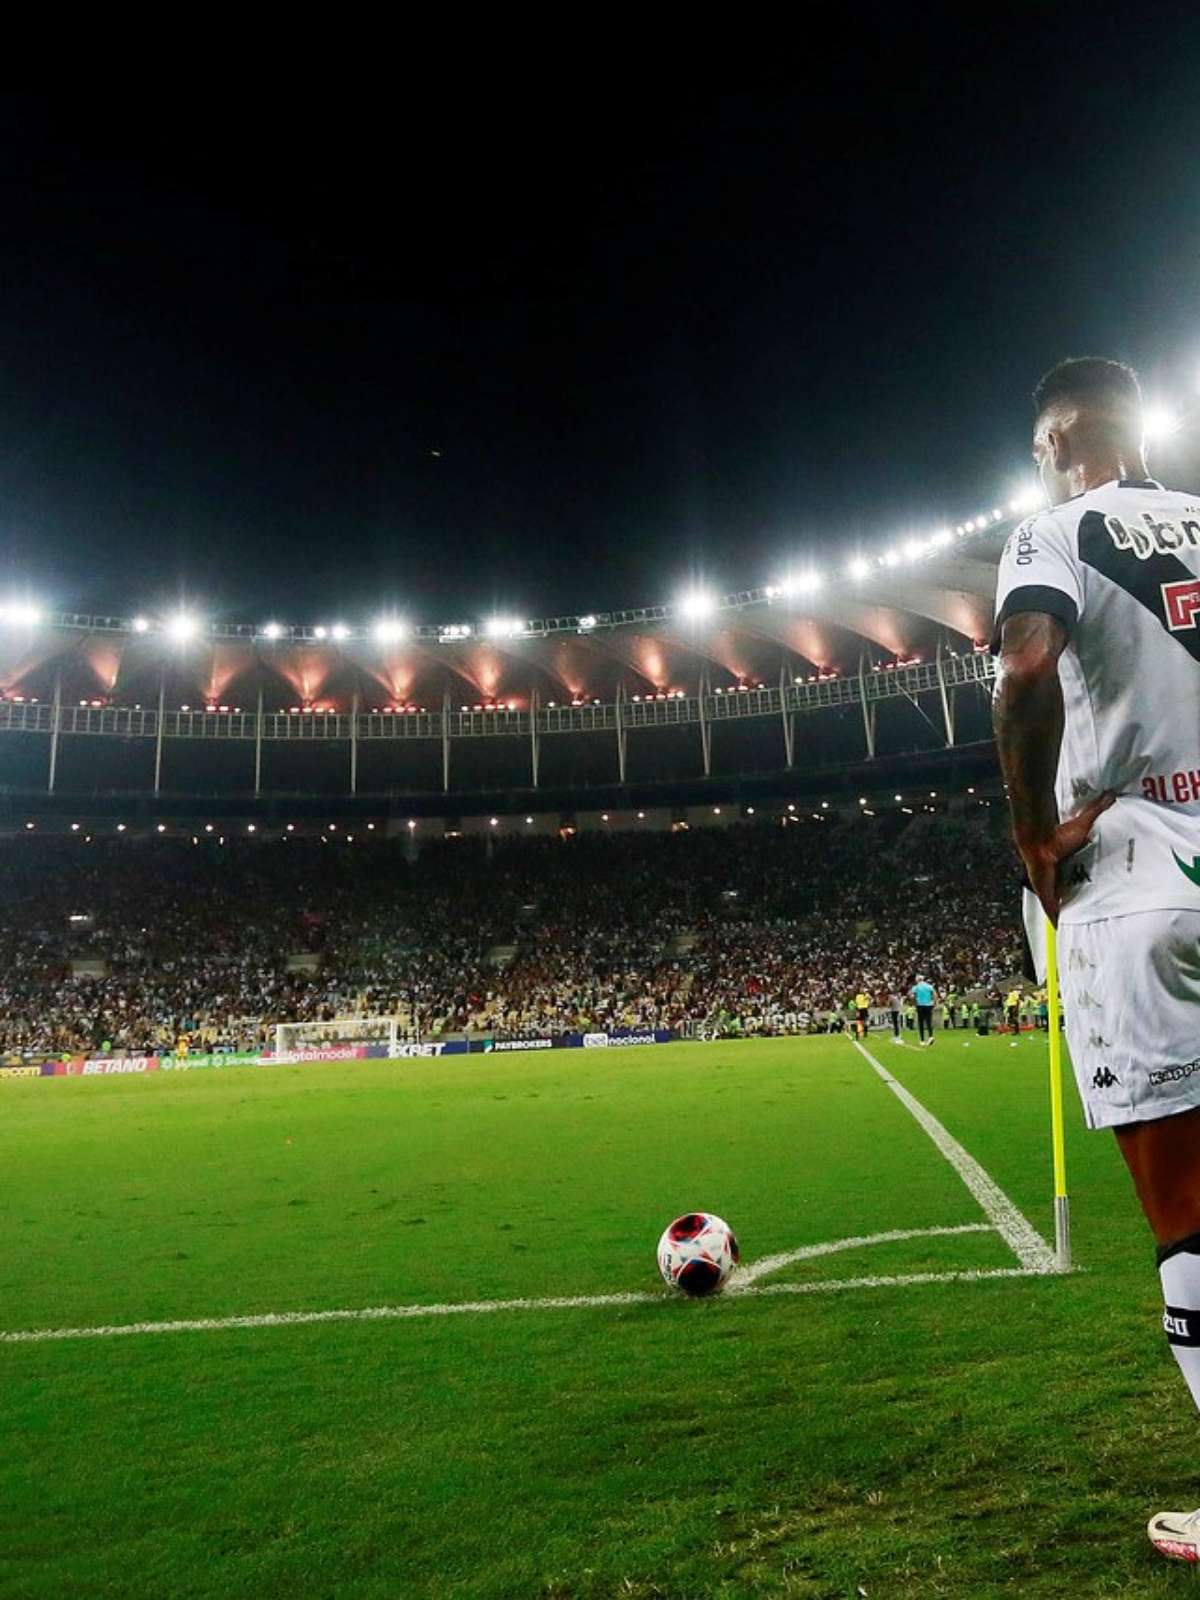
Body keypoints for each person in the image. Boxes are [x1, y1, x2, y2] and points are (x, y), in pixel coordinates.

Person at [992, 356, 1200, 1564]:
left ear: (1054, 442)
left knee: (1186, 1215)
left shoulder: (1054, 531)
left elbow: (1026, 671)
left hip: (1136, 885)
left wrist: (1032, 839)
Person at [912, 975, 935, 1046]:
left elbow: (913, 996)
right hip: (929, 1005)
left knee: (921, 1023)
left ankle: (922, 1040)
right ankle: (930, 1036)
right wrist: (934, 1003)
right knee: (929, 1021)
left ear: (918, 980)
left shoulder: (916, 987)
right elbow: (934, 994)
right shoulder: (929, 986)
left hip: (920, 1006)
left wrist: (915, 1004)